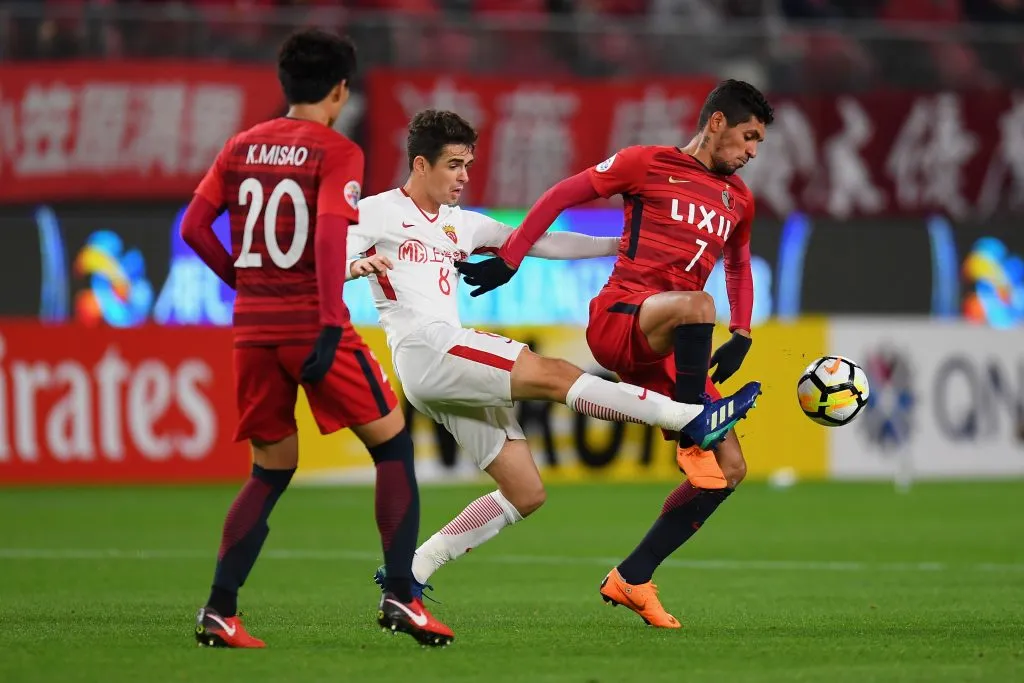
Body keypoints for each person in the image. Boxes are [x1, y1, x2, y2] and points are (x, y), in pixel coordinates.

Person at [344, 109, 760, 603]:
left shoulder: (462, 225)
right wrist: (356, 265)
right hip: (426, 346)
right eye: (454, 165)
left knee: (525, 492)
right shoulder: (377, 211)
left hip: (444, 368)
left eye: (468, 166)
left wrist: (616, 245)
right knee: (556, 373)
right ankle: (688, 418)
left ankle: (412, 569)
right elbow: (327, 258)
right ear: (420, 165)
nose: (464, 177)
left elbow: (539, 242)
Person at [454, 80, 774, 628]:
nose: (751, 152)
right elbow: (560, 195)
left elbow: (739, 265)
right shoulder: (645, 163)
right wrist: (511, 258)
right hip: (622, 317)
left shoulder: (737, 200)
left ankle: (634, 576)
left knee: (731, 469)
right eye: (748, 137)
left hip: (675, 345)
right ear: (716, 122)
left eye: (758, 144)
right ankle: (694, 424)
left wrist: (741, 333)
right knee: (698, 305)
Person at [179, 29, 452, 648]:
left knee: (270, 469)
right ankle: (403, 598)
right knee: (392, 448)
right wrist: (330, 319)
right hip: (310, 322)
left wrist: (242, 282)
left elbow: (194, 226)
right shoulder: (336, 150)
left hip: (252, 332)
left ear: (286, 84)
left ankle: (221, 609)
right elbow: (331, 233)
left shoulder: (240, 146)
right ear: (340, 90)